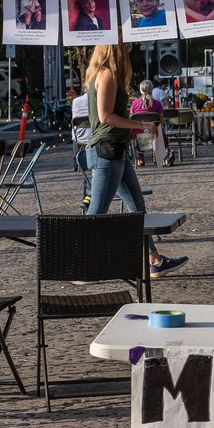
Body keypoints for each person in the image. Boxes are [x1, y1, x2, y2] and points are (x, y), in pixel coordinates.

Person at [84, 43, 188, 280]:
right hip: (107, 151)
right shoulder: (108, 74)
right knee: (96, 212)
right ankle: (77, 262)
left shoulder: (106, 74)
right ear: (115, 48)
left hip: (115, 151)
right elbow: (105, 116)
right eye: (126, 46)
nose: (129, 50)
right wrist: (140, 125)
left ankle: (155, 261)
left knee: (137, 208)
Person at [129, 80, 164, 167]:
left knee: (140, 132)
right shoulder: (157, 104)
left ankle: (140, 158)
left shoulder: (134, 103)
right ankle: (158, 156)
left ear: (140, 90)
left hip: (138, 133)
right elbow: (161, 120)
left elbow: (131, 117)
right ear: (152, 89)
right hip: (153, 133)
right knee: (158, 131)